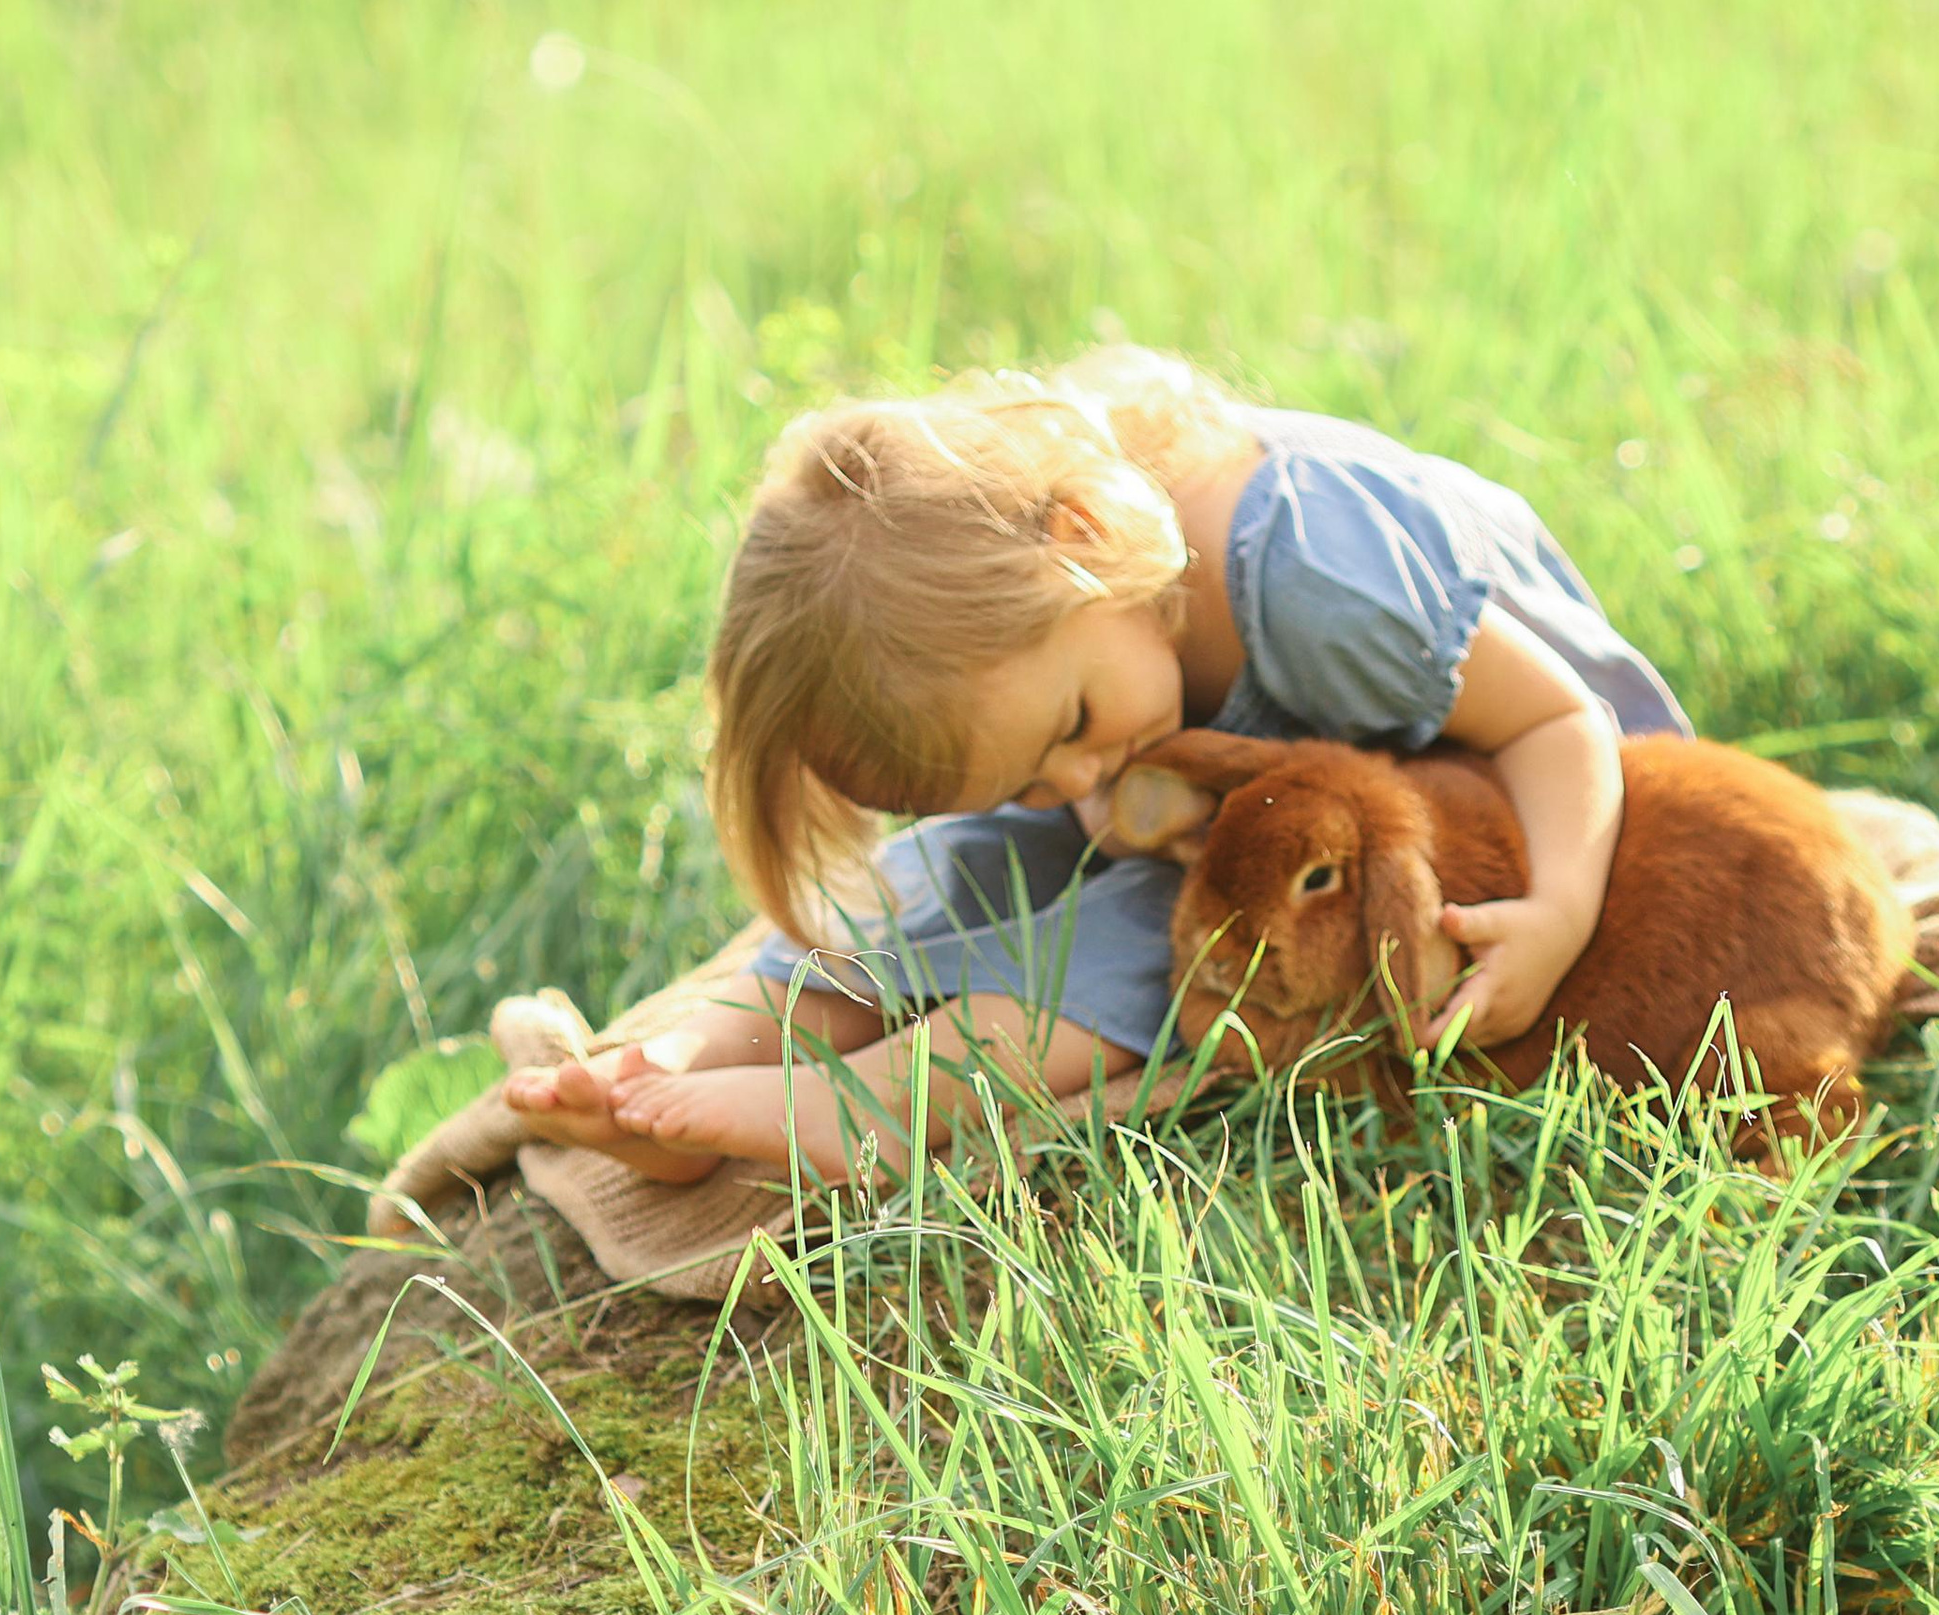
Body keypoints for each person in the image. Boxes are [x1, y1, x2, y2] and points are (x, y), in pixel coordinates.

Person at [503, 346, 1689, 1182]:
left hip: (1509, 789)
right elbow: (1050, 784)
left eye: (1067, 729)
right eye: (1025, 774)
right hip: (1263, 777)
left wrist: (1561, 912)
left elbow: (1561, 723)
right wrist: (1034, 795)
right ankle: (700, 1054)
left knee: (1153, 924)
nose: (1071, 786)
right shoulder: (1085, 656)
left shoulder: (1313, 581)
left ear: (1083, 538)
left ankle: (867, 1107)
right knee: (972, 861)